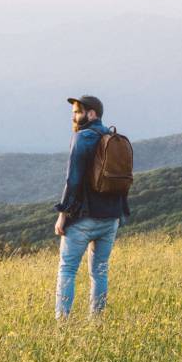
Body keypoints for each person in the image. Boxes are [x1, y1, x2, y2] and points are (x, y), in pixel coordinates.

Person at [54, 95, 130, 319]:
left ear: (92, 114)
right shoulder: (111, 136)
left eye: (78, 111)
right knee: (99, 272)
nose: (74, 116)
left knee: (67, 270)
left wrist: (63, 214)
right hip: (111, 218)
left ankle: (62, 325)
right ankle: (96, 322)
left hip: (84, 219)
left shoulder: (83, 137)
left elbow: (73, 180)